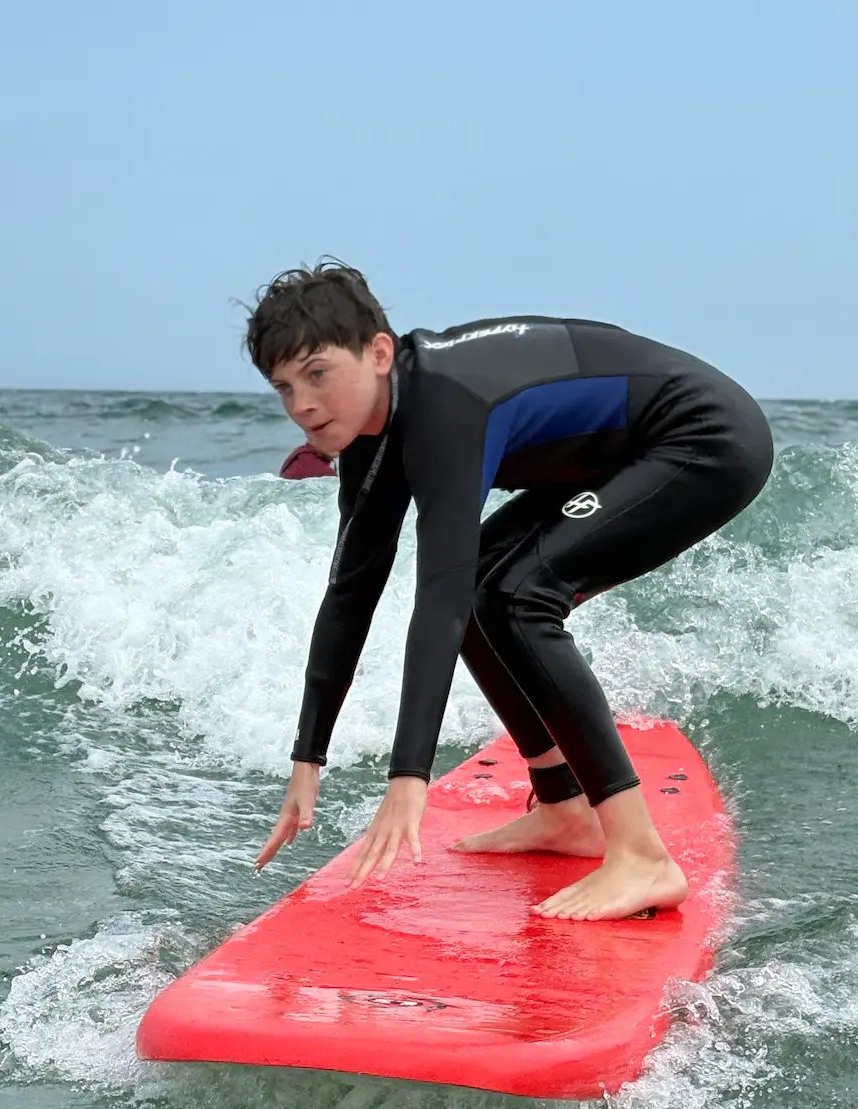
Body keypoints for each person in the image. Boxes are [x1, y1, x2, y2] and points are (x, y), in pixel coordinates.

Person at [247, 260, 773, 920]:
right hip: (612, 453)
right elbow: (351, 592)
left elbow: (435, 595)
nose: (302, 404)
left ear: (379, 353)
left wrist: (410, 778)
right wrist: (307, 758)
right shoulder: (369, 439)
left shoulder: (443, 404)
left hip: (703, 438)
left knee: (522, 596)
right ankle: (564, 807)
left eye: (317, 373)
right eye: (284, 387)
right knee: (486, 590)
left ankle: (641, 854)